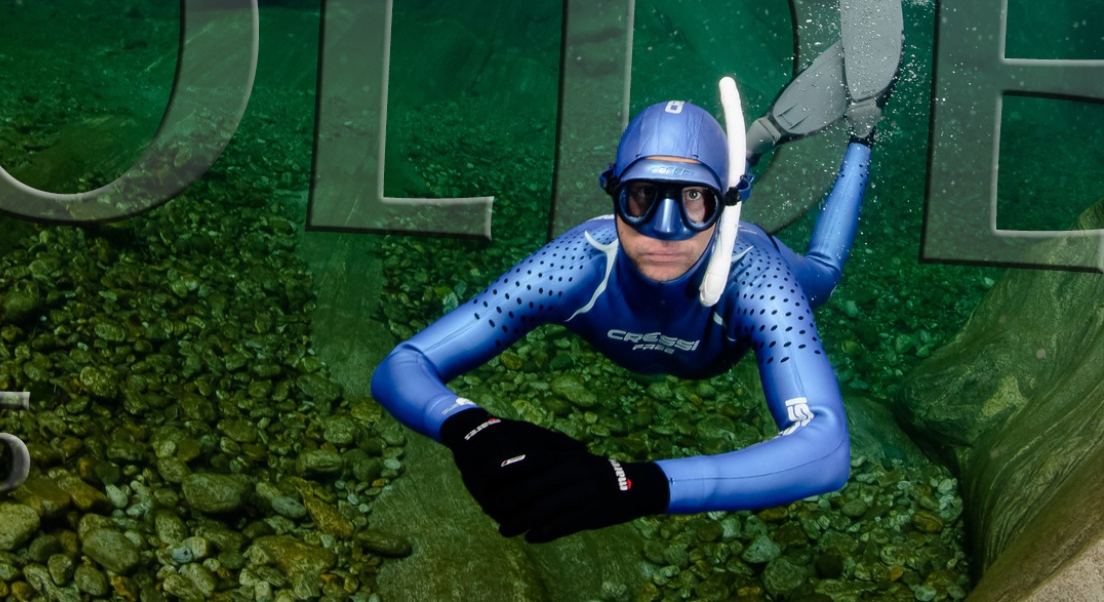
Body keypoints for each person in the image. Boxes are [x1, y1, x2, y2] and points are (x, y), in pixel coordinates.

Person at [370, 79, 879, 544]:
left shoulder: (758, 278)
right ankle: (740, 151)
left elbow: (827, 449)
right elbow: (403, 365)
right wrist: (470, 428)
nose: (663, 227)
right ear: (613, 194)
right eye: (641, 196)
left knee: (824, 273)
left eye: (694, 199)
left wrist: (636, 485)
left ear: (724, 204)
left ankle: (863, 130)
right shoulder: (578, 261)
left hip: (752, 248)